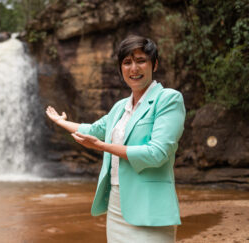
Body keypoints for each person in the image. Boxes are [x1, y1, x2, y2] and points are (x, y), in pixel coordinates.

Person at [46, 35, 185, 242]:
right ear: (120, 68)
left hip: (149, 203)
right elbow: (93, 130)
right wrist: (60, 122)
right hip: (116, 204)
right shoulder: (120, 107)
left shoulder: (168, 99)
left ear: (154, 64)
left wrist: (103, 146)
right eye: (127, 62)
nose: (133, 68)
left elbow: (157, 153)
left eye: (140, 60)